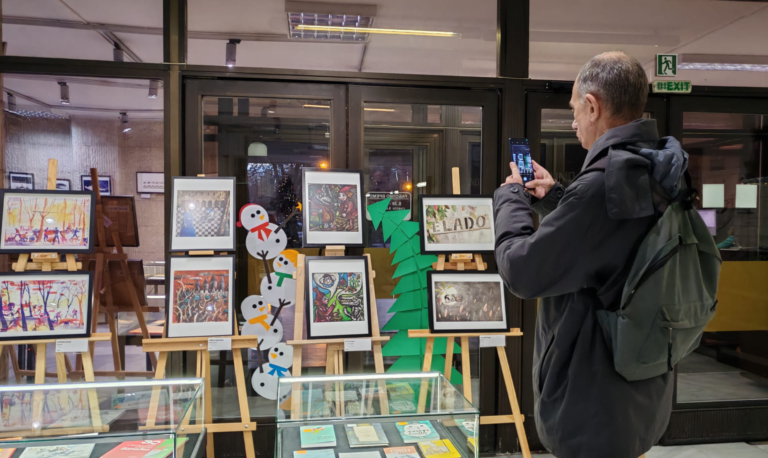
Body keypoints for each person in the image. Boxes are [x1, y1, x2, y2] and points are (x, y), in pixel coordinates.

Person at [494, 52, 684, 458]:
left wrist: (511, 198)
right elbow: (613, 251)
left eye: (575, 109)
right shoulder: (657, 172)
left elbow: (522, 272)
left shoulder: (602, 187)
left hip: (591, 406)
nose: (574, 121)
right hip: (641, 388)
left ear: (593, 105)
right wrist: (559, 198)